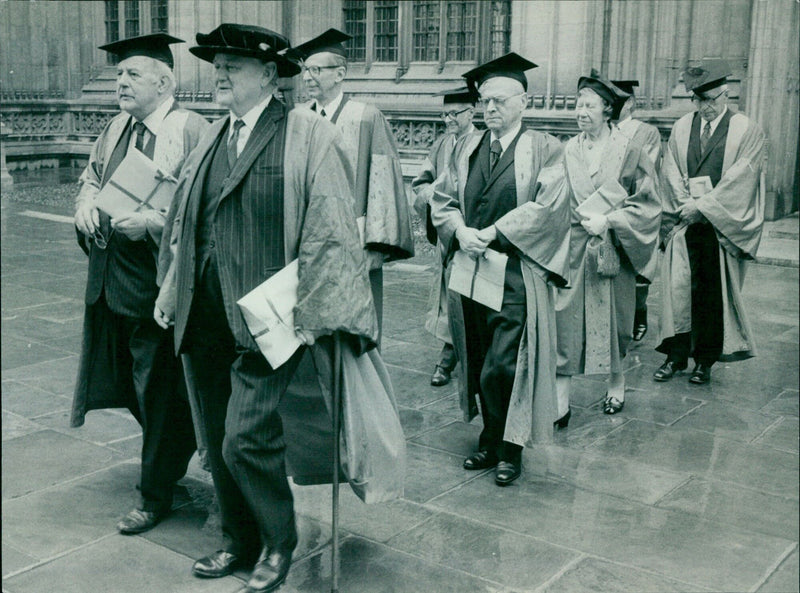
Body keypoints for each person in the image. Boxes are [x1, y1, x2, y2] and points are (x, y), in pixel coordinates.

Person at [154, 24, 378, 593]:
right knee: (215, 428)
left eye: (233, 65)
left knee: (245, 437)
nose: (219, 73)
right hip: (203, 312)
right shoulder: (212, 137)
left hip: (268, 318)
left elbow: (330, 228)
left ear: (271, 76)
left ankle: (280, 541)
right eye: (216, 64)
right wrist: (170, 286)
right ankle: (238, 538)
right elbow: (187, 222)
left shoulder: (306, 134)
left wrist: (315, 312)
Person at [70, 33, 206, 536]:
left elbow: (203, 204)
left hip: (157, 286)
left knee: (159, 390)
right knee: (131, 384)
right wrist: (85, 205)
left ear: (165, 81)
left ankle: (155, 493)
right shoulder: (115, 127)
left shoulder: (191, 129)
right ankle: (170, 454)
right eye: (119, 74)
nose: (120, 82)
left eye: (132, 74)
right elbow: (92, 177)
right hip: (111, 282)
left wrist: (152, 223)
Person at [430, 53, 571, 486]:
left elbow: (549, 207)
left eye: (500, 101)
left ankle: (511, 449)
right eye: (484, 101)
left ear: (523, 102)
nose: (489, 109)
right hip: (471, 269)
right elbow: (443, 198)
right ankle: (490, 438)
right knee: (475, 354)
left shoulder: (545, 147)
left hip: (515, 274)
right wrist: (458, 228)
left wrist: (493, 231)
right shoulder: (466, 146)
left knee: (505, 363)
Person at [291, 28, 414, 329]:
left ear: (340, 73)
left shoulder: (366, 117)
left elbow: (384, 184)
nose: (307, 77)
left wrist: (376, 246)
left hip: (354, 242)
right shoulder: (297, 119)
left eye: (316, 70)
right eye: (305, 70)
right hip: (305, 240)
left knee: (357, 327)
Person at [555, 70, 660, 416]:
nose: (581, 111)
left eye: (589, 105)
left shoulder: (630, 150)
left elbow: (646, 202)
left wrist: (611, 221)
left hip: (614, 250)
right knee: (566, 322)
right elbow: (554, 198)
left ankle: (616, 386)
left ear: (607, 110)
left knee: (616, 321)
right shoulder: (567, 149)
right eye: (578, 104)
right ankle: (560, 399)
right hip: (574, 248)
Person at [654, 59, 765, 385]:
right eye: (699, 100)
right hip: (684, 223)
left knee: (710, 295)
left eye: (712, 100)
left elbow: (741, 179)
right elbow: (670, 169)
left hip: (718, 228)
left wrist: (702, 207)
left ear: (727, 94)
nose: (705, 107)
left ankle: (705, 360)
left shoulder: (747, 129)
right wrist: (684, 206)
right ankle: (675, 356)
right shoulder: (681, 127)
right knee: (677, 292)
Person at [411, 87, 477, 386]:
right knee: (448, 296)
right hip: (445, 231)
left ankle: (452, 359)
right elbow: (421, 181)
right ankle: (451, 355)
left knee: (467, 296)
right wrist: (431, 196)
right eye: (445, 114)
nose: (449, 119)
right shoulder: (440, 144)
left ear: (472, 112)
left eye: (455, 113)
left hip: (470, 230)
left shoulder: (481, 142)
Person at [613, 79, 663, 342]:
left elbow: (648, 173)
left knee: (636, 268)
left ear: (630, 103)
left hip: (633, 206)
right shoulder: (604, 129)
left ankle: (638, 313)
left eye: (617, 101)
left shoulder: (647, 133)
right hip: (606, 210)